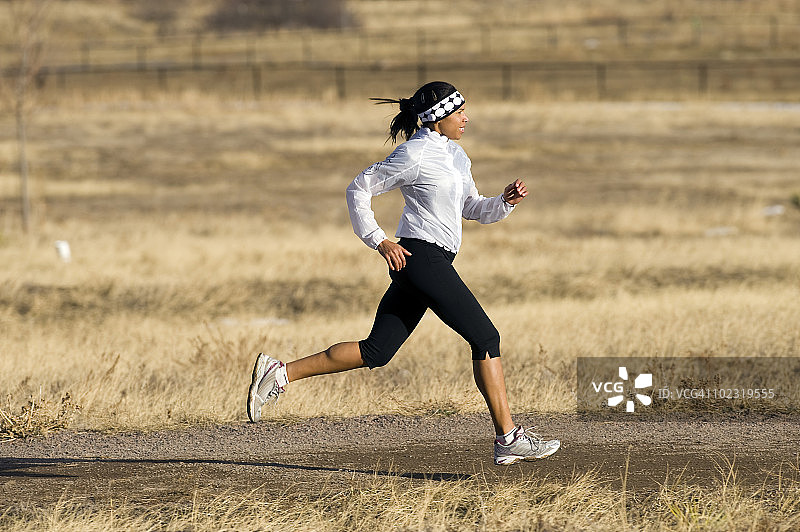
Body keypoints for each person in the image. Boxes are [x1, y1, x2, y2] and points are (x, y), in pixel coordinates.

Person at [247, 81, 560, 466]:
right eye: (458, 111)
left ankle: (279, 373)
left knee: (376, 351)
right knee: (486, 337)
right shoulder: (414, 153)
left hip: (433, 263)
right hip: (419, 259)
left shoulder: (458, 156)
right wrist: (379, 241)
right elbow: (358, 188)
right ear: (438, 117)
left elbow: (473, 208)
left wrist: (504, 202)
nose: (466, 117)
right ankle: (508, 437)